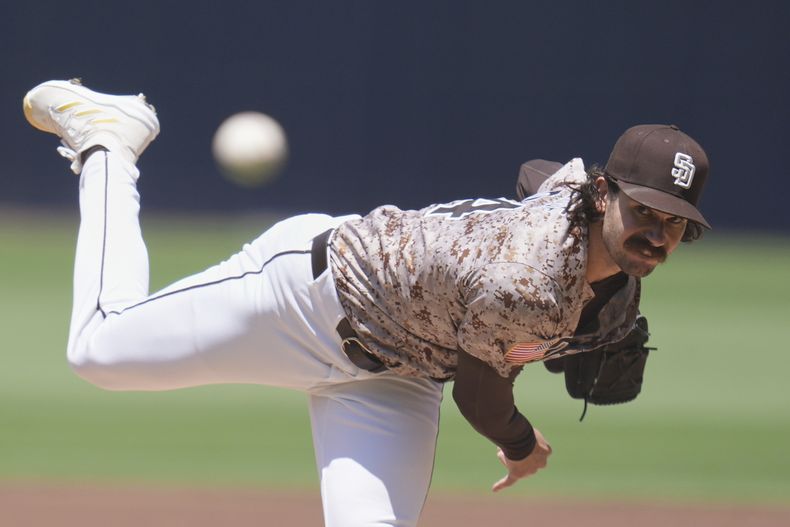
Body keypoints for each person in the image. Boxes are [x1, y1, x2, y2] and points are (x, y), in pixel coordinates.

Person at [23, 79, 710, 527]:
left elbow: (535, 177)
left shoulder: (572, 199)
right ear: (602, 194)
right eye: (645, 210)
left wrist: (585, 312)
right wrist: (522, 444)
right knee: (97, 347)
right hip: (307, 300)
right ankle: (110, 144)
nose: (658, 232)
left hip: (399, 372)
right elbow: (481, 400)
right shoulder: (528, 284)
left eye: (675, 221)